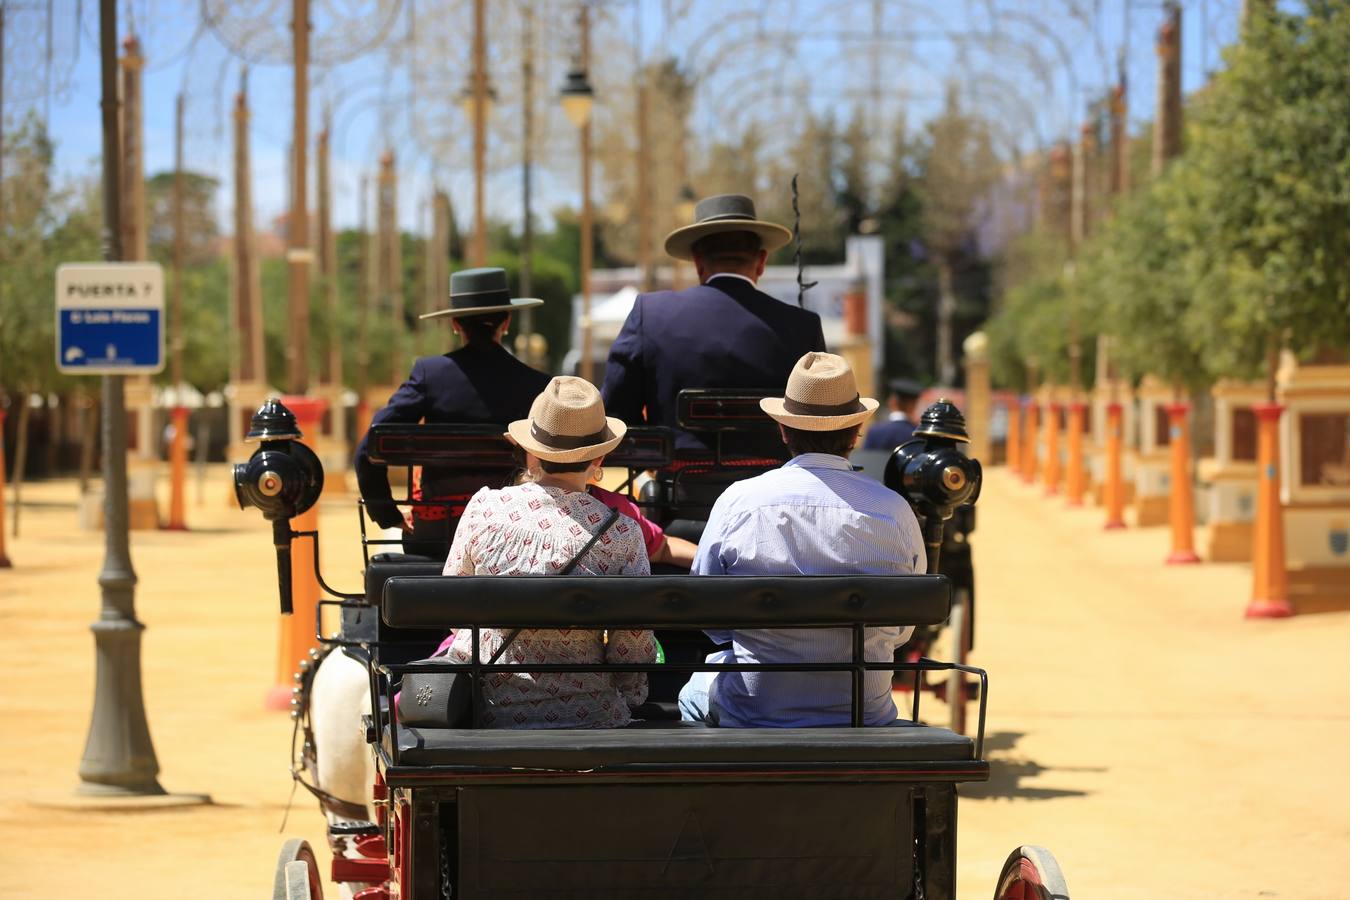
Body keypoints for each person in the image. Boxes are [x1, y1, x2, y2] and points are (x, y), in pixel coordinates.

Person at [677, 352, 926, 727]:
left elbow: (711, 619)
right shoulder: (894, 510)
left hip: (754, 710)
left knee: (689, 692)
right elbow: (903, 629)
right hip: (864, 710)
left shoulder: (739, 501)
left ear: (783, 430)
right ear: (856, 433)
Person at [440, 376, 657, 728]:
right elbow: (631, 645)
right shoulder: (622, 533)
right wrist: (630, 694)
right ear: (600, 456)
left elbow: (455, 607)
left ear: (532, 449)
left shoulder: (484, 507)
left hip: (489, 709)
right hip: (591, 716)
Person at [601, 194, 827, 454]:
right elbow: (821, 423)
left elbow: (616, 414)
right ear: (762, 261)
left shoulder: (650, 313)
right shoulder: (802, 325)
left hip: (679, 487)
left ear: (698, 262)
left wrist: (656, 456)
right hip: (779, 488)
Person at [354, 267, 550, 560]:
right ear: (506, 322)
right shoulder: (537, 384)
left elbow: (368, 447)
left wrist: (388, 515)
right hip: (515, 531)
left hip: (437, 535)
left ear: (455, 324)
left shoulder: (428, 375)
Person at [862, 377, 923, 451]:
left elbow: (865, 459)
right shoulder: (919, 433)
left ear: (892, 402)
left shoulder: (875, 431)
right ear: (914, 404)